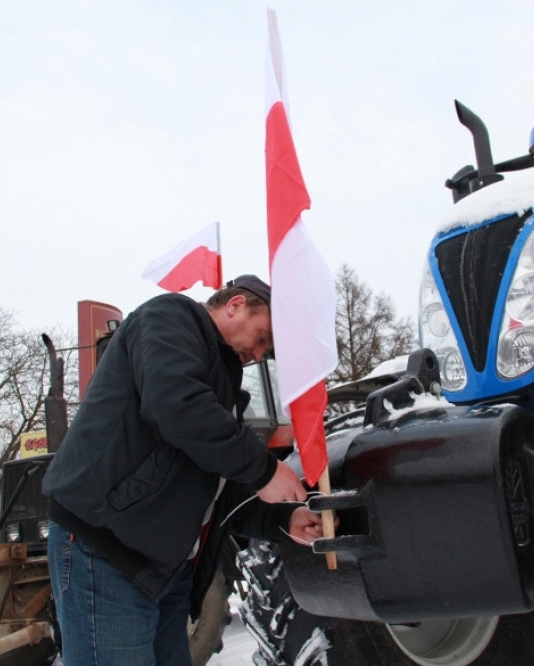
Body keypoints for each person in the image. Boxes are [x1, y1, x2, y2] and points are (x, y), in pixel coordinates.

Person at [42, 275, 325, 665]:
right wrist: (264, 469)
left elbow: (219, 492)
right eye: (262, 338)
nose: (260, 354)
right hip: (106, 551)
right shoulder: (169, 317)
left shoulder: (224, 388)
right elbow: (175, 405)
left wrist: (283, 518)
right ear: (236, 305)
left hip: (165, 571)